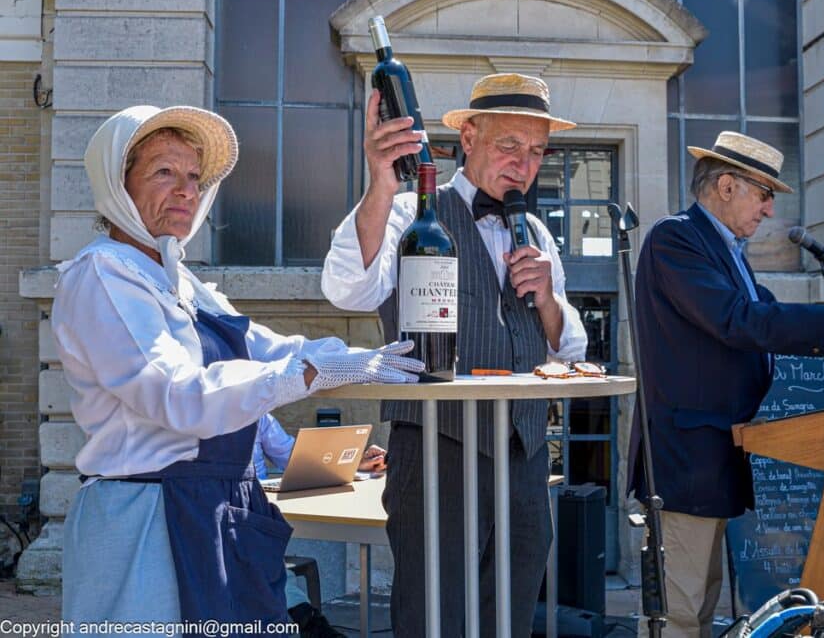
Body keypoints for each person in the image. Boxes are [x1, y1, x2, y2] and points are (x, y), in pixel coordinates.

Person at [55, 105, 424, 636]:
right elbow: (177, 394)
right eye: (163, 172)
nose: (186, 190)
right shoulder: (103, 274)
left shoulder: (182, 281)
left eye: (193, 177)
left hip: (212, 511)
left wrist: (370, 359)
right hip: (148, 521)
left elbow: (273, 348)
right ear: (117, 183)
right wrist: (319, 370)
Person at [322, 73, 588, 636]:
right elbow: (347, 287)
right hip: (439, 448)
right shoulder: (408, 214)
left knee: (510, 616)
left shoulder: (536, 231)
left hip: (525, 457)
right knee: (434, 614)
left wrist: (546, 299)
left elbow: (570, 350)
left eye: (537, 151)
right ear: (468, 138)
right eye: (509, 145)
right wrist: (378, 182)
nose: (524, 163)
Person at [628, 131, 824, 637]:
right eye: (765, 195)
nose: (769, 211)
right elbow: (741, 320)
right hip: (687, 459)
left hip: (716, 457)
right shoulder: (678, 238)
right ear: (727, 186)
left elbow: (766, 315)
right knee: (681, 612)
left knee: (701, 606)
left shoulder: (726, 248)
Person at [252, 413, 387, 638]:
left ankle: (307, 621)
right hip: (234, 520)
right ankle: (308, 621)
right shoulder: (195, 415)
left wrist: (356, 464)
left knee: (265, 558)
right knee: (263, 560)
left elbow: (297, 460)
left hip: (261, 518)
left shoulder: (258, 414)